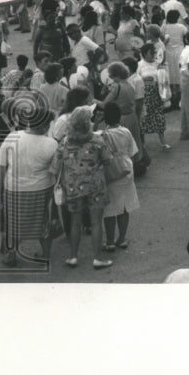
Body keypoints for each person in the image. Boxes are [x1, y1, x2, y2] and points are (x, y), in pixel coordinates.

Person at [49, 107, 114, 270]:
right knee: (96, 222)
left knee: (75, 222)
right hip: (95, 186)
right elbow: (108, 160)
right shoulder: (97, 140)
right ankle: (98, 258)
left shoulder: (65, 142)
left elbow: (55, 167)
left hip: (73, 187)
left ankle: (73, 256)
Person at [0, 103, 58, 266]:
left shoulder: (13, 137)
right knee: (43, 222)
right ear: (45, 125)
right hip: (42, 188)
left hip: (13, 188)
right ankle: (45, 254)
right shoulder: (51, 144)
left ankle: (11, 255)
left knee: (13, 222)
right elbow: (56, 170)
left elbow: (1, 165)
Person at [99, 102, 140, 252]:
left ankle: (109, 242)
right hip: (126, 169)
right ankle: (121, 238)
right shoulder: (126, 132)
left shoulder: (103, 135)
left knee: (109, 209)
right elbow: (133, 152)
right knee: (124, 207)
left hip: (110, 172)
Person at [137, 43, 170, 151]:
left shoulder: (158, 64)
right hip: (144, 95)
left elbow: (164, 78)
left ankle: (163, 141)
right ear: (145, 54)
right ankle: (142, 143)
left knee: (159, 117)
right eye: (151, 53)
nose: (153, 55)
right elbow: (135, 79)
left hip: (156, 94)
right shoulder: (139, 65)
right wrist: (145, 79)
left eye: (154, 53)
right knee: (144, 118)